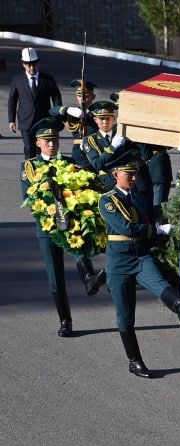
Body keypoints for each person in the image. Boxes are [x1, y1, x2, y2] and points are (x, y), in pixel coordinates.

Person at [98, 148, 180, 378]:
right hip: (119, 260)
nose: (134, 177)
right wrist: (155, 229)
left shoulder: (138, 196)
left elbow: (149, 217)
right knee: (125, 315)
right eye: (128, 174)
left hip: (140, 254)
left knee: (157, 280)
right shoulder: (107, 200)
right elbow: (126, 227)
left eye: (135, 173)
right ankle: (134, 360)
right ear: (116, 174)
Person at [20, 117, 106, 336]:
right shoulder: (29, 166)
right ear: (37, 142)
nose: (51, 144)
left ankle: (89, 279)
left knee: (77, 245)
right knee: (55, 275)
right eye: (47, 140)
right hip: (48, 227)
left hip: (69, 223)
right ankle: (65, 320)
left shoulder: (69, 163)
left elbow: (85, 185)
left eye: (55, 140)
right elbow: (31, 195)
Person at [9, 47, 62, 159]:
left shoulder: (48, 79)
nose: (32, 67)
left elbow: (56, 97)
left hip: (43, 121)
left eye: (34, 64)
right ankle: (29, 173)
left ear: (38, 63)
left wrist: (58, 114)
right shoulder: (17, 80)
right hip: (25, 120)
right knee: (29, 148)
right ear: (23, 64)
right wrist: (11, 120)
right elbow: (12, 100)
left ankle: (43, 173)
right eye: (28, 65)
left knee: (42, 149)